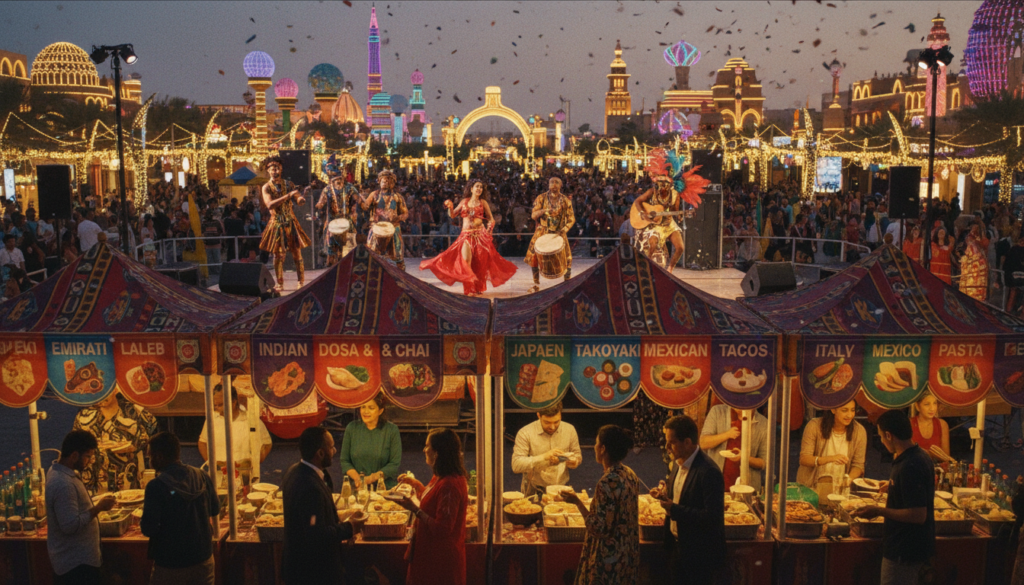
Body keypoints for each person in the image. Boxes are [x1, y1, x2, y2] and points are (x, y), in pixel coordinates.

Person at [851, 410, 935, 585]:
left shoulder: (910, 465)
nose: (882, 441)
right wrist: (893, 486)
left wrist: (879, 511)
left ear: (889, 435)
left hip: (904, 551)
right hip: (909, 548)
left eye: (881, 436)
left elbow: (918, 515)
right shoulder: (919, 455)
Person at [281, 426, 365, 585]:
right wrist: (350, 527)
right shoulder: (310, 487)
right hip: (313, 573)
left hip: (298, 568)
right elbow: (317, 535)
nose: (335, 451)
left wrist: (342, 515)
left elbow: (311, 518)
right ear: (320, 453)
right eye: (331, 447)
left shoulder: (294, 471)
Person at [651, 415, 726, 585]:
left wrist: (674, 509)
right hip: (677, 550)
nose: (667, 447)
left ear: (687, 442)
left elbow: (712, 518)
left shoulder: (709, 472)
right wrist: (664, 496)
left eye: (671, 442)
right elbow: (683, 497)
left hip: (699, 556)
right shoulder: (678, 464)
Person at [562, 425, 640, 585]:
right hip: (627, 554)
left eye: (596, 443)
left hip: (609, 561)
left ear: (603, 449)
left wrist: (577, 502)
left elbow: (599, 528)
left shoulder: (607, 482)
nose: (594, 447)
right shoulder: (630, 473)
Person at [141, 432, 219, 585]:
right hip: (203, 560)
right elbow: (215, 510)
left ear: (159, 457)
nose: (149, 461)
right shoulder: (201, 476)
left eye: (150, 456)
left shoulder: (155, 486)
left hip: (171, 565)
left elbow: (148, 529)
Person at [394, 428, 469, 585]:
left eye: (427, 445)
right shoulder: (440, 476)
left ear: (437, 453)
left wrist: (415, 510)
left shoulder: (450, 484)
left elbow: (442, 529)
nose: (424, 449)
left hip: (440, 562)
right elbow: (433, 503)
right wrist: (417, 485)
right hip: (429, 555)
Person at [420, 180, 517, 296]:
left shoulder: (483, 202)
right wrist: (450, 207)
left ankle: (476, 287)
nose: (479, 189)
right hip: (466, 235)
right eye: (477, 186)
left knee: (479, 264)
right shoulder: (464, 202)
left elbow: (491, 219)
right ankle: (469, 289)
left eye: (481, 187)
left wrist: (490, 229)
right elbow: (453, 215)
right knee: (466, 261)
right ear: (471, 189)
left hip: (480, 236)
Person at [46, 430, 116, 585]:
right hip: (76, 566)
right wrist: (98, 508)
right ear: (74, 456)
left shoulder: (59, 472)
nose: (90, 461)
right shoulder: (63, 484)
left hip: (79, 562)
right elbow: (70, 525)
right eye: (88, 456)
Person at [73, 390, 157, 493]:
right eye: (96, 390)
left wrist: (134, 445)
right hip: (95, 484)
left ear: (115, 389)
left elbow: (149, 431)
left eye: (105, 390)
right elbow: (76, 445)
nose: (101, 395)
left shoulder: (133, 411)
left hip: (127, 483)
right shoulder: (83, 416)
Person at [197, 385, 272, 481]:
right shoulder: (212, 420)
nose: (217, 408)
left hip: (245, 476)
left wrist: (255, 462)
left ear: (233, 402)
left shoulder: (251, 420)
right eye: (215, 405)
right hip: (218, 476)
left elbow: (267, 443)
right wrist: (211, 463)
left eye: (220, 405)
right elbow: (202, 443)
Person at [259, 155, 311, 291]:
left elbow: (297, 198)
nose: (275, 171)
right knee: (278, 255)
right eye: (272, 169)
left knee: (297, 253)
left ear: (281, 169)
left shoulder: (289, 184)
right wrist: (288, 196)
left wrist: (301, 198)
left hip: (291, 222)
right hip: (276, 223)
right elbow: (269, 205)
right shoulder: (266, 187)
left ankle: (301, 282)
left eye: (277, 168)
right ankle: (280, 283)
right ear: (268, 170)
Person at [511, 401, 582, 497]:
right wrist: (544, 457)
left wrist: (574, 461)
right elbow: (516, 465)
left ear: (560, 415)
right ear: (538, 415)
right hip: (534, 490)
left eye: (556, 422)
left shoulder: (570, 430)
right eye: (547, 422)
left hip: (561, 489)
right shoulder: (525, 433)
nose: (552, 427)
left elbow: (577, 455)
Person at [796, 399, 867, 495]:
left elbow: (858, 465)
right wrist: (830, 459)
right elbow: (804, 459)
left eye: (853, 410)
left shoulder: (859, 431)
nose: (849, 415)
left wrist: (849, 479)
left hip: (840, 491)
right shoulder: (814, 426)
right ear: (833, 409)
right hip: (811, 488)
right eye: (844, 410)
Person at [699, 404, 769, 491]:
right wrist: (727, 435)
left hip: (747, 489)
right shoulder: (717, 412)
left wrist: (743, 457)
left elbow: (763, 463)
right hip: (715, 485)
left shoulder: (764, 424)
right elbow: (703, 443)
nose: (740, 404)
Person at [339, 394, 402, 490]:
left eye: (371, 408)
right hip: (357, 487)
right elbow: (344, 461)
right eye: (363, 407)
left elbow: (394, 464)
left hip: (383, 488)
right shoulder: (351, 428)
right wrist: (358, 479)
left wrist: (370, 479)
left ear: (380, 411)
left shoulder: (391, 430)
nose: (366, 411)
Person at [524, 177, 575, 293]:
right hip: (542, 231)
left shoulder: (566, 201)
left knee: (568, 258)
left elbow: (571, 218)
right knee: (534, 257)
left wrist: (564, 229)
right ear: (548, 184)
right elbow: (533, 215)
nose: (554, 184)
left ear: (561, 185)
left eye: (557, 182)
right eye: (552, 182)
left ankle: (567, 283)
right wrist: (543, 211)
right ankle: (536, 283)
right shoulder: (541, 198)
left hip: (559, 233)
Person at [362, 170, 409, 271]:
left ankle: (401, 274)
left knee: (398, 254)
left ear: (392, 183)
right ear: (379, 181)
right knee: (371, 252)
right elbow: (365, 207)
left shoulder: (398, 197)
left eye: (388, 180)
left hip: (393, 227)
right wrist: (361, 200)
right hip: (377, 227)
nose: (385, 182)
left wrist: (399, 218)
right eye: (383, 180)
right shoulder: (374, 195)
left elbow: (405, 213)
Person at [316, 168, 358, 266]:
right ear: (332, 180)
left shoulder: (349, 188)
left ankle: (348, 265)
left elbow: (358, 199)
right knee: (331, 246)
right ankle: (332, 266)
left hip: (347, 220)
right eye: (336, 180)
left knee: (349, 246)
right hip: (332, 222)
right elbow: (321, 203)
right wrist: (319, 205)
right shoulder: (327, 189)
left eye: (340, 180)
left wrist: (358, 207)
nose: (339, 182)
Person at [911, 392, 950, 462]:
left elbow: (946, 458)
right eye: (927, 404)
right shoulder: (910, 424)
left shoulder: (942, 424)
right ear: (917, 406)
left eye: (934, 403)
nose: (932, 408)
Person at [960, 221, 990, 301]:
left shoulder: (983, 239)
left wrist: (975, 241)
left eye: (976, 228)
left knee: (978, 284)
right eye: (973, 228)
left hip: (979, 264)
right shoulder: (968, 237)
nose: (974, 230)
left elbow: (984, 246)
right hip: (969, 264)